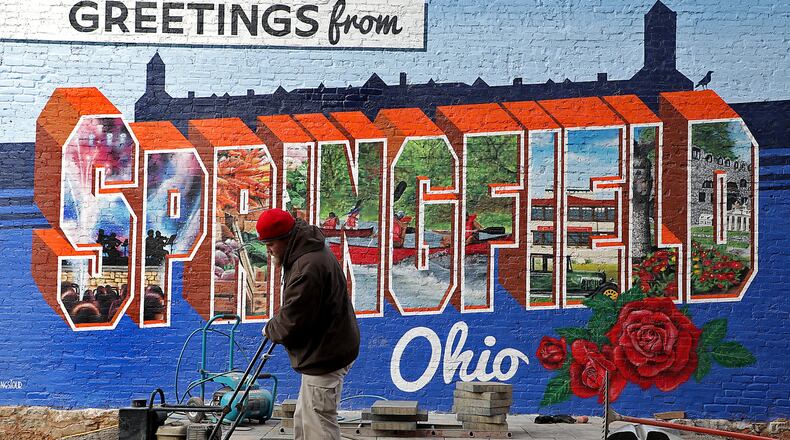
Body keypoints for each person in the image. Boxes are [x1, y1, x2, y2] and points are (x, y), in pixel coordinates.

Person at [257, 208, 360, 440]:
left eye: (270, 244)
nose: (268, 250)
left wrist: (270, 329)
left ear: (285, 238)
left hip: (326, 354)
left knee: (318, 427)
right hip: (325, 348)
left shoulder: (308, 267)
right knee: (305, 419)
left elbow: (293, 320)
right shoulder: (306, 251)